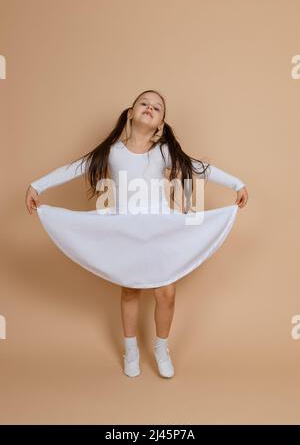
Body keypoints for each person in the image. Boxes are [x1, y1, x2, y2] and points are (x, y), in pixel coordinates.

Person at [25, 89, 248, 379]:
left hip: (160, 229)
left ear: (161, 125)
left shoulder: (164, 152)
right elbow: (76, 167)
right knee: (130, 289)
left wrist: (237, 184)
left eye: (157, 107)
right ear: (130, 113)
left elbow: (198, 168)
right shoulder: (112, 152)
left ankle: (161, 346)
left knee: (166, 291)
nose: (150, 107)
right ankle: (130, 349)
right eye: (144, 103)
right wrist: (37, 185)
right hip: (125, 229)